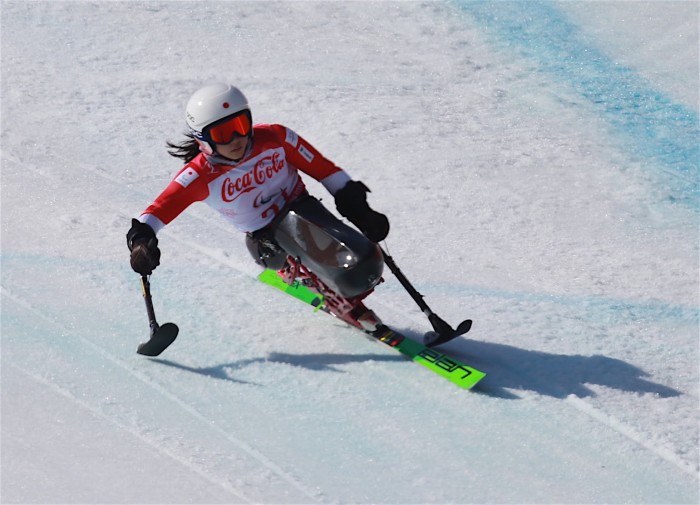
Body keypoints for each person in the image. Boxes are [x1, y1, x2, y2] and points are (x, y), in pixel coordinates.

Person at [126, 83, 390, 330]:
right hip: (266, 239)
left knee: (365, 263)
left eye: (240, 125)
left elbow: (324, 170)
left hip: (303, 210)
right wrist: (141, 243)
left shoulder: (275, 137)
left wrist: (358, 207)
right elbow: (154, 214)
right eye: (222, 133)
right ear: (203, 139)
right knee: (345, 268)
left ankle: (326, 271)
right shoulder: (198, 176)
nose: (236, 139)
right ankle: (292, 268)